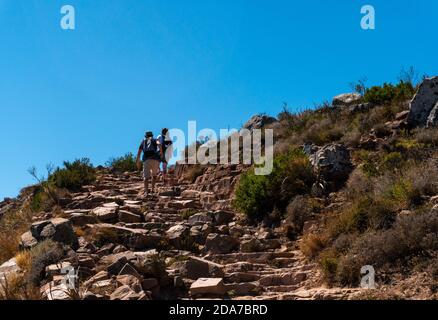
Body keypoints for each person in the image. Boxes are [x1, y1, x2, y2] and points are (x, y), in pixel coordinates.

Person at [136, 131, 162, 196]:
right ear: (152, 135)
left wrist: (138, 159)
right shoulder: (154, 139)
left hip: (146, 160)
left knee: (146, 177)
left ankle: (146, 192)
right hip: (155, 159)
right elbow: (159, 144)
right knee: (154, 175)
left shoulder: (143, 141)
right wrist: (161, 152)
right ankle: (153, 189)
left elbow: (139, 151)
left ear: (145, 136)